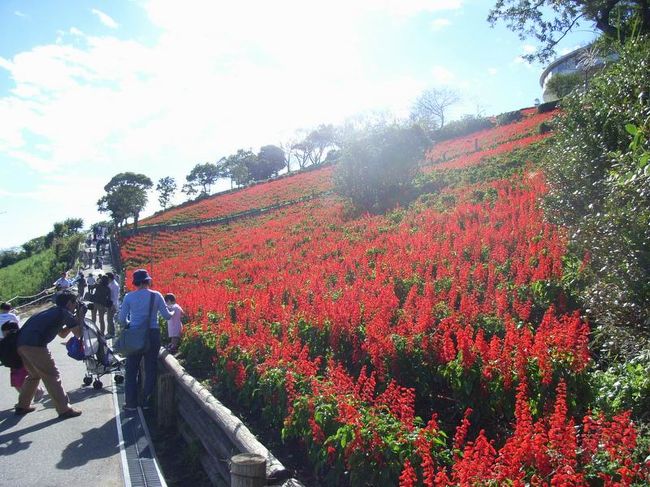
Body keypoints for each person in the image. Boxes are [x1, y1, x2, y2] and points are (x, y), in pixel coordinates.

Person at [15, 292, 85, 418]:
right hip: (35, 345)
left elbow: (62, 334)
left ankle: (22, 405)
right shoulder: (65, 313)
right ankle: (64, 409)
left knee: (34, 375)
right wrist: (79, 317)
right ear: (69, 303)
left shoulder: (52, 311)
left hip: (21, 344)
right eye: (75, 304)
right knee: (52, 375)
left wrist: (73, 321)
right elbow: (79, 334)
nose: (75, 306)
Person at [118, 269, 172, 412]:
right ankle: (145, 400)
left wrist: (131, 322)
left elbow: (121, 320)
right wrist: (173, 310)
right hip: (152, 335)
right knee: (150, 368)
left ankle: (130, 403)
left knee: (131, 370)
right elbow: (167, 316)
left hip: (135, 335)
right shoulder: (157, 296)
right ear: (147, 281)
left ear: (136, 282)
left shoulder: (129, 297)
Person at [1, 321, 45, 400]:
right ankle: (26, 398)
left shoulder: (16, 338)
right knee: (17, 383)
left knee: (23, 381)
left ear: (8, 331)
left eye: (3, 332)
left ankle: (36, 392)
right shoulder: (9, 340)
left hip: (22, 363)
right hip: (15, 365)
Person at [106, 272, 120, 337]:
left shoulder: (115, 285)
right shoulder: (111, 284)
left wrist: (113, 305)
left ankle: (111, 333)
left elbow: (115, 297)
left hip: (113, 305)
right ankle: (110, 332)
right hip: (110, 304)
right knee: (109, 319)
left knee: (110, 319)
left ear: (109, 278)